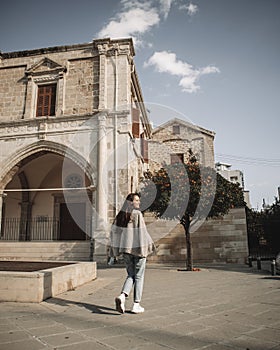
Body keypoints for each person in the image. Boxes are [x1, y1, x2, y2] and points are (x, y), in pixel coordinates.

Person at [109, 192, 155, 314]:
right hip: (138, 250)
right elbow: (142, 233)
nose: (139, 202)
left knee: (131, 275)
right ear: (130, 202)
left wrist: (114, 251)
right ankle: (136, 304)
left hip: (125, 251)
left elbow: (113, 233)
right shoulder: (137, 214)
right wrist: (147, 248)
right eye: (136, 200)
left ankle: (122, 296)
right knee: (139, 276)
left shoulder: (120, 216)